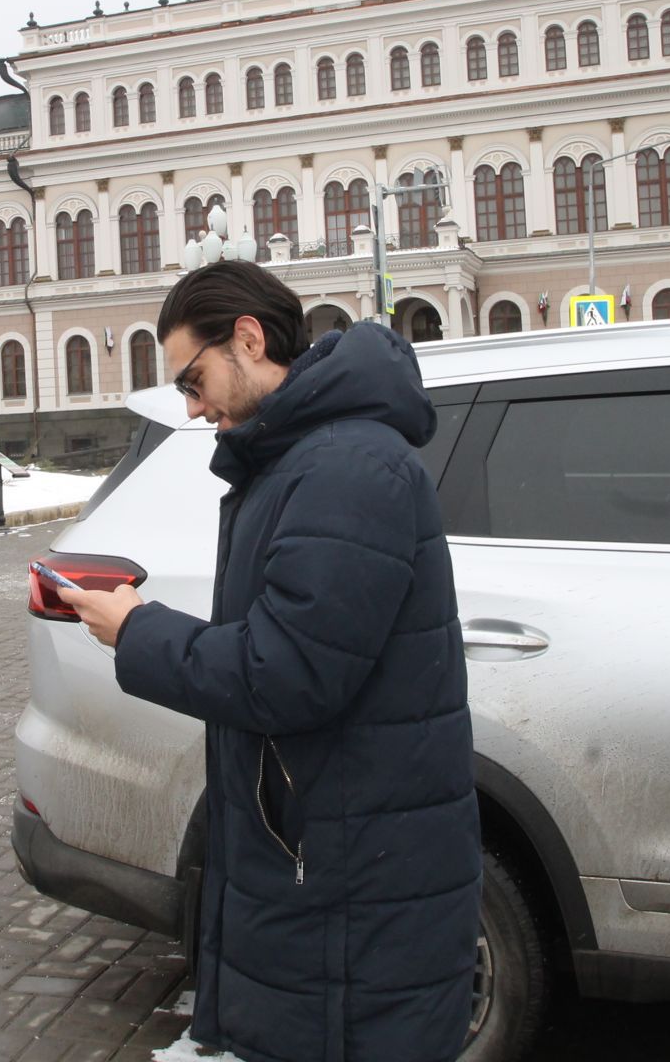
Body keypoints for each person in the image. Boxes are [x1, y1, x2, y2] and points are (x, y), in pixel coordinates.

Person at [60, 260, 481, 1062]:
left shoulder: (344, 468)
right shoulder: (298, 460)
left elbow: (285, 676)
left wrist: (138, 631)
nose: (190, 405)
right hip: (324, 860)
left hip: (348, 888)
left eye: (195, 377)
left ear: (248, 340)